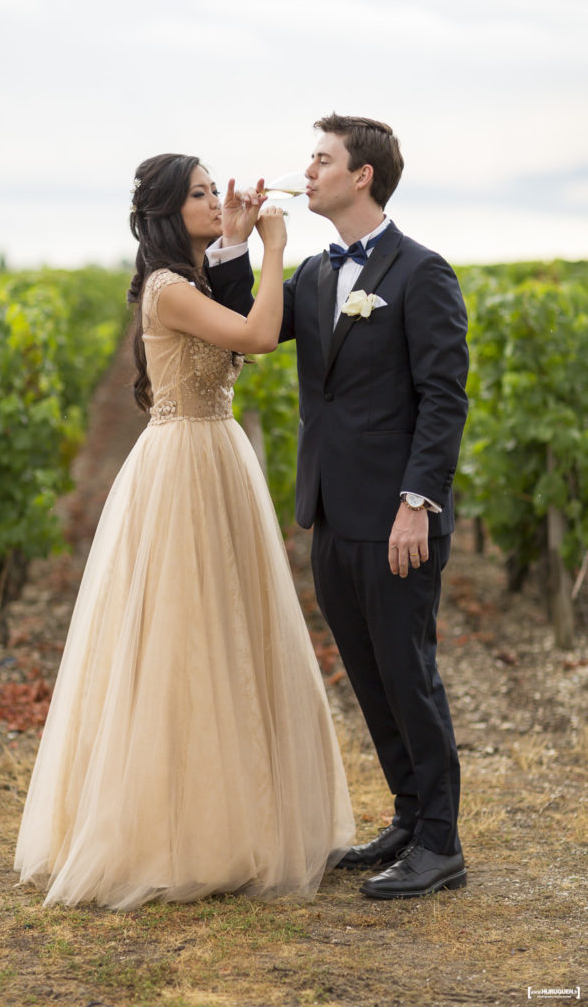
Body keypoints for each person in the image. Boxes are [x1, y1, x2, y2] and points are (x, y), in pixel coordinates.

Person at [14, 152, 355, 909]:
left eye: (213, 190)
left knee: (226, 632)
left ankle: (226, 821)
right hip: (184, 466)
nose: (215, 198)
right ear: (169, 211)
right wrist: (271, 248)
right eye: (200, 193)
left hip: (216, 453)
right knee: (180, 637)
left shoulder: (193, 278)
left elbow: (235, 336)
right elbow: (259, 336)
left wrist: (235, 241)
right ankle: (167, 832)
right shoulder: (169, 289)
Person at [206, 115, 469, 900]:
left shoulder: (421, 273)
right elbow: (249, 332)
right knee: (367, 672)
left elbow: (443, 398)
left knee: (407, 671)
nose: (306, 170)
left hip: (397, 518)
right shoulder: (317, 276)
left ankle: (440, 844)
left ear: (362, 176)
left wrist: (416, 503)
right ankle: (407, 815)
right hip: (328, 510)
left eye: (321, 159)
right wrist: (234, 244)